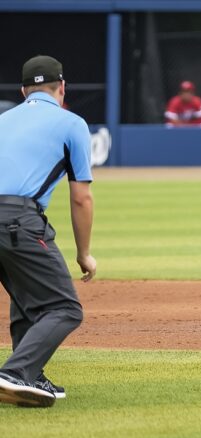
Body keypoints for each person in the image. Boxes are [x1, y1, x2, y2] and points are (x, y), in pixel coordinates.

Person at [0, 55, 96, 408]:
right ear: (62, 88)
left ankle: (30, 375)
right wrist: (84, 253)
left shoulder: (2, 119)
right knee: (65, 308)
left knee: (27, 297)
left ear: (24, 90)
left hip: (8, 220)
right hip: (16, 218)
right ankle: (15, 372)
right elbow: (81, 197)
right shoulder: (71, 123)